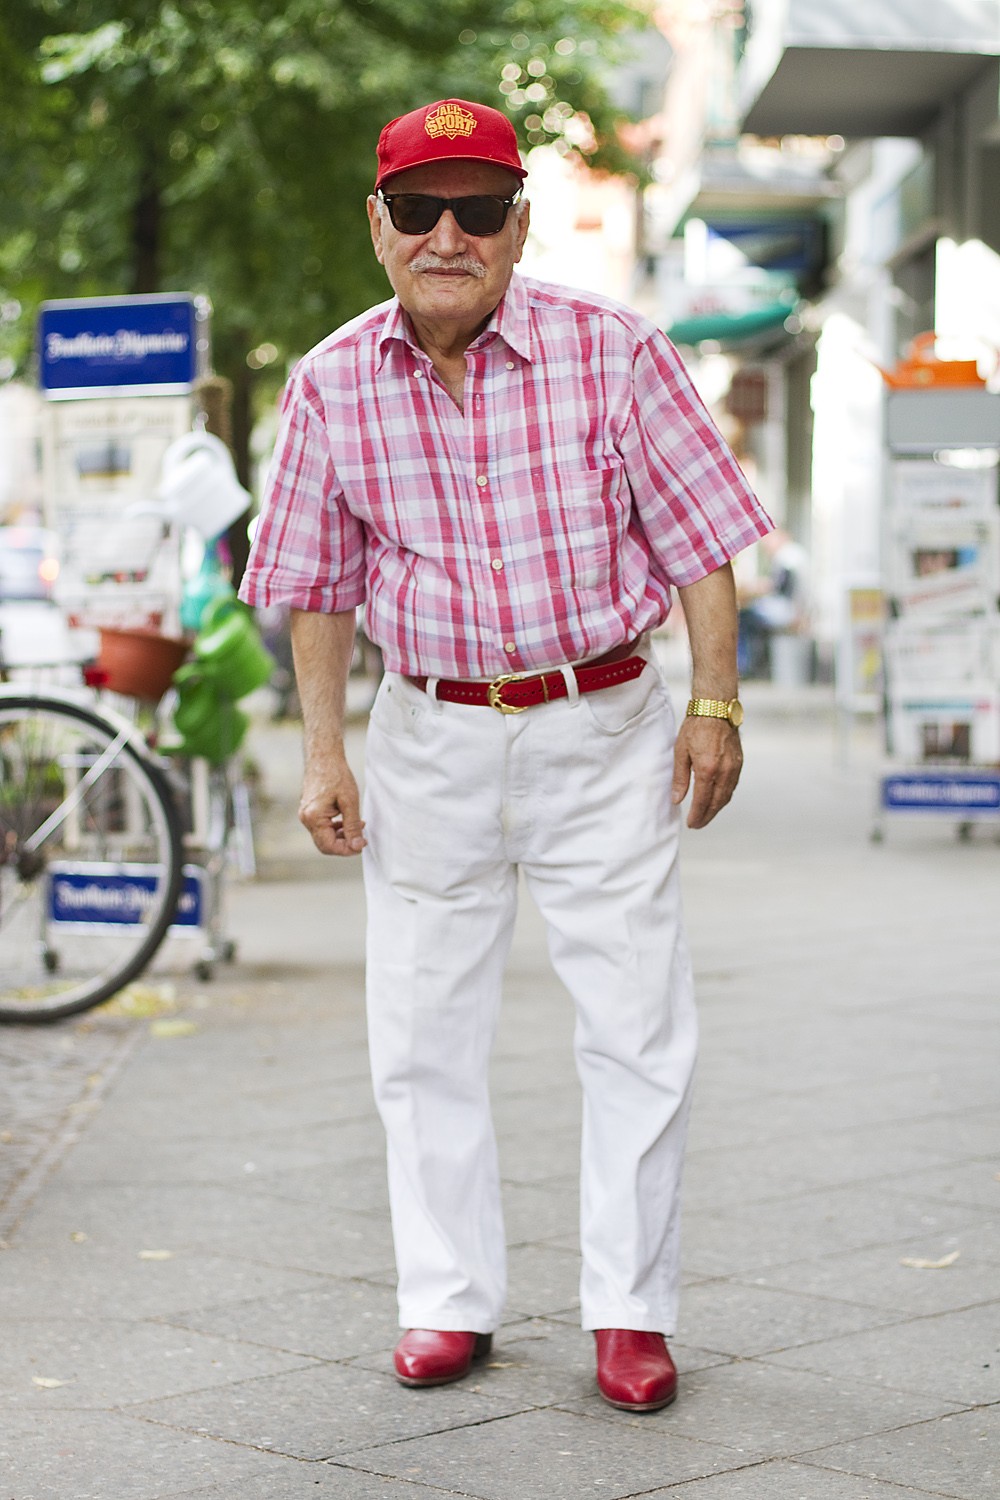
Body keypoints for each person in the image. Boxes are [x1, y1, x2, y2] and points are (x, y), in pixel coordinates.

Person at [240, 97, 772, 1413]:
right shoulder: (328, 383)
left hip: (603, 728)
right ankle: (445, 1299)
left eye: (479, 208)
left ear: (520, 226)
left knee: (637, 1023)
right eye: (419, 208)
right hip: (428, 735)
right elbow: (316, 588)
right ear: (378, 226)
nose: (449, 235)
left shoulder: (617, 351)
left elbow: (702, 540)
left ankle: (630, 1311)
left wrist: (715, 704)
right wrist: (323, 756)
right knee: (421, 1029)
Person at [737, 526, 809, 678]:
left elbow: (781, 586)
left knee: (743, 615)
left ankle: (743, 665)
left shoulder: (787, 556)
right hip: (793, 610)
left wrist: (759, 587)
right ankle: (750, 663)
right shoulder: (796, 554)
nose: (766, 547)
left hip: (788, 611)